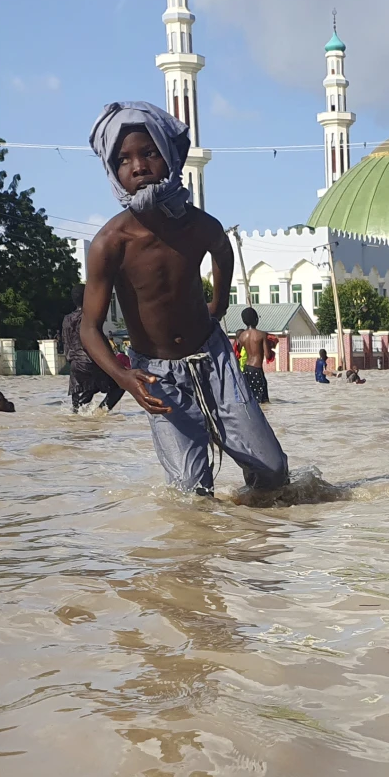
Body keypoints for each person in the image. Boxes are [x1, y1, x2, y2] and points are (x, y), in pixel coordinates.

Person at [81, 100, 288, 494]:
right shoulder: (110, 243)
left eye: (150, 153)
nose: (138, 166)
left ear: (171, 155)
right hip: (156, 374)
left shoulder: (197, 225)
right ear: (112, 171)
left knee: (274, 472)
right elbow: (90, 329)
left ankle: (261, 544)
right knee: (191, 494)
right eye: (123, 160)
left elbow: (222, 249)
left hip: (214, 359)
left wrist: (218, 305)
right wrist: (126, 378)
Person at [63, 284, 125, 414]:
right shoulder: (90, 317)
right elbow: (97, 339)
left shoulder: (67, 319)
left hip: (75, 365)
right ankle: (100, 412)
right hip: (91, 362)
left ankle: (82, 430)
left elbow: (67, 343)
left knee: (78, 408)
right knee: (121, 384)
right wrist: (112, 359)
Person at [233, 307, 271, 404]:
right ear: (256, 319)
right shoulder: (262, 335)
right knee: (263, 401)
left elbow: (235, 353)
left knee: (251, 400)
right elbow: (268, 355)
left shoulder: (241, 336)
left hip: (246, 370)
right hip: (257, 370)